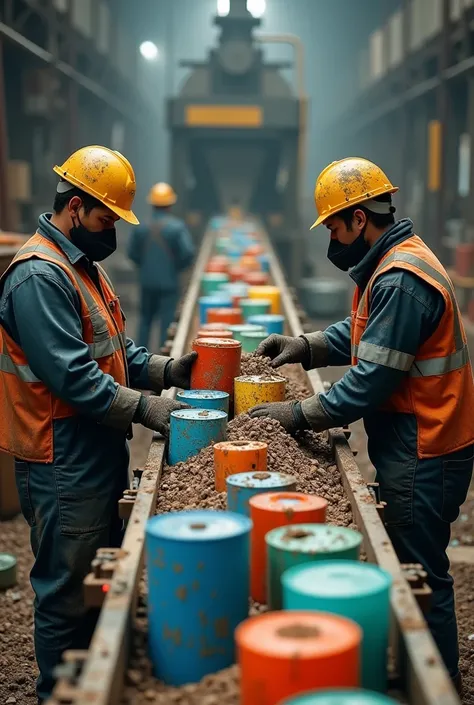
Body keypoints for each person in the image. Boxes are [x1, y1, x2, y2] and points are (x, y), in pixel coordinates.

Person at [250, 157, 474, 693]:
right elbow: (362, 335)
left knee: (419, 575)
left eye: (332, 225)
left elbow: (370, 379)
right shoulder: (391, 263)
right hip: (417, 438)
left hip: (426, 445)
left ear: (358, 218)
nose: (331, 237)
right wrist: (305, 347)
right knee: (412, 566)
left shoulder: (400, 278)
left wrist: (297, 415)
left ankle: (436, 683)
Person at [0, 146, 196, 704]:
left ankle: (95, 677)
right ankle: (58, 693)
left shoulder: (81, 266)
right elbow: (76, 378)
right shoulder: (39, 277)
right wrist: (147, 409)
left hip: (94, 448)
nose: (112, 232)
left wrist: (164, 370)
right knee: (65, 591)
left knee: (97, 578)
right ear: (75, 207)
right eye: (107, 219)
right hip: (62, 455)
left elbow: (114, 351)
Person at [128, 182, 194, 349]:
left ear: (152, 204)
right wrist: (175, 268)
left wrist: (145, 267)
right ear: (171, 204)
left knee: (145, 321)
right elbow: (187, 253)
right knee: (166, 322)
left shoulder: (141, 228)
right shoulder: (177, 228)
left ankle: (140, 358)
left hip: (146, 282)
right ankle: (163, 360)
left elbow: (132, 253)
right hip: (169, 284)